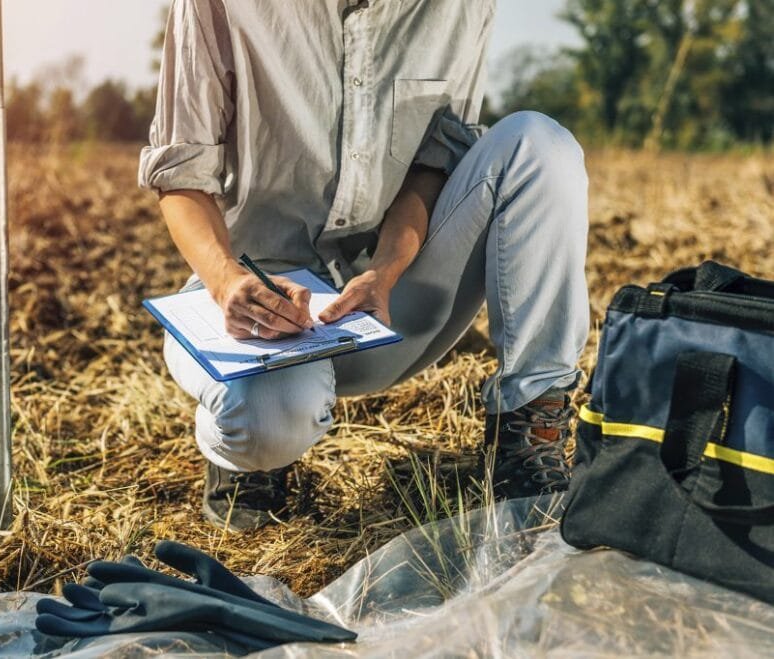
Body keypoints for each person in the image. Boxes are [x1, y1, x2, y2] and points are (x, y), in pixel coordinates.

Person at [138, 0, 590, 531]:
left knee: (539, 145)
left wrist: (386, 270)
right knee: (265, 428)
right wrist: (226, 280)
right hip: (255, 299)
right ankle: (242, 460)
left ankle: (529, 431)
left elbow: (435, 162)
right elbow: (181, 175)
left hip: (389, 302)